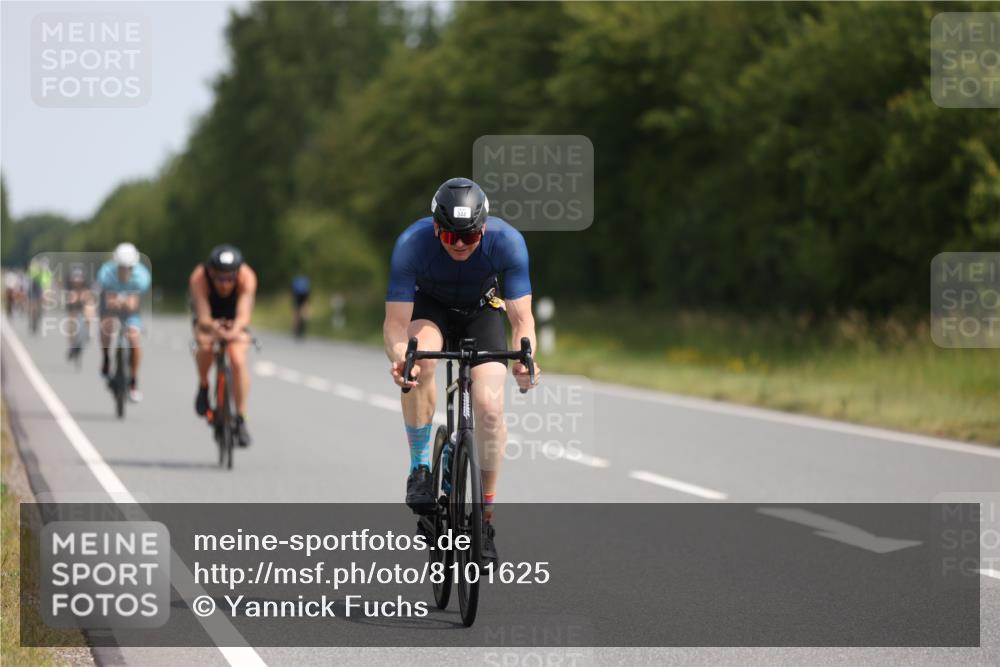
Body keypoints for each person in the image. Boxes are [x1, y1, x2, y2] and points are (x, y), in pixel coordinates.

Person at [383, 177, 541, 564]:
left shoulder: (508, 242)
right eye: (449, 236)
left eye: (468, 236)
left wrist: (527, 360)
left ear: (483, 229)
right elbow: (395, 324)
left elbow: (522, 321)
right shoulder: (412, 243)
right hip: (430, 311)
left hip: (481, 313)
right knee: (420, 360)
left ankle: (484, 519)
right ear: (435, 228)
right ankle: (420, 468)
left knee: (490, 408)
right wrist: (401, 356)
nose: (458, 245)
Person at [189, 245, 257, 447]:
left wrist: (234, 330)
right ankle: (203, 385)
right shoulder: (199, 277)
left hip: (235, 319)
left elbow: (244, 314)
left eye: (230, 279)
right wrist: (213, 328)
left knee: (237, 359)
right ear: (211, 272)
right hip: (209, 317)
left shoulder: (247, 276)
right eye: (220, 279)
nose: (225, 284)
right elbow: (203, 316)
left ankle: (241, 418)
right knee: (205, 346)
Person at [97, 243, 151, 402]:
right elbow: (109, 300)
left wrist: (126, 303)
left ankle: (133, 382)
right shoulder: (106, 273)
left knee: (134, 338)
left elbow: (134, 303)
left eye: (129, 268)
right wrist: (115, 303)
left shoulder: (142, 276)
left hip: (131, 308)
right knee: (106, 326)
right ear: (116, 265)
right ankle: (106, 358)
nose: (125, 271)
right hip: (110, 303)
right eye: (122, 267)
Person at [64, 265, 93, 361]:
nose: (77, 282)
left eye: (79, 279)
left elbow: (89, 299)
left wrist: (88, 314)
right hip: (73, 305)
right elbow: (70, 300)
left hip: (84, 302)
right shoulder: (69, 287)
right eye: (75, 280)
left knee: (89, 311)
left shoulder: (86, 286)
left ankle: (88, 331)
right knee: (71, 320)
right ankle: (72, 344)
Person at [291, 274, 311, 339]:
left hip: (297, 296)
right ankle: (303, 326)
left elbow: (293, 292)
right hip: (304, 296)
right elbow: (308, 294)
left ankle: (295, 329)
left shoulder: (296, 282)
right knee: (304, 312)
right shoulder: (306, 283)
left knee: (296, 313)